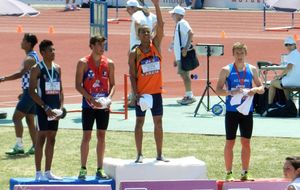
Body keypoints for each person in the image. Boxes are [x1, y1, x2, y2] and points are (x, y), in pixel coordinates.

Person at [216, 42, 264, 181]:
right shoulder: (226, 70)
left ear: (245, 54)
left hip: (246, 111)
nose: (239, 56)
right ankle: (229, 173)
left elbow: (262, 88)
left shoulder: (252, 69)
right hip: (232, 111)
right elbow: (218, 89)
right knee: (230, 142)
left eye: (242, 53)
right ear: (233, 54)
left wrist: (254, 90)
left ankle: (245, 172)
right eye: (237, 53)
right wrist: (231, 91)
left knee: (246, 142)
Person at [129, 0, 167, 163]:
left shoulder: (156, 46)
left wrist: (157, 5)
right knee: (139, 123)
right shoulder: (134, 53)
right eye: (143, 33)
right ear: (138, 35)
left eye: (148, 32)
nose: (146, 35)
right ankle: (139, 154)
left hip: (156, 92)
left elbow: (161, 25)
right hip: (142, 94)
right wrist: (135, 93)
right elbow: (132, 74)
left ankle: (159, 154)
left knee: (158, 123)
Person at [75, 35, 115, 180]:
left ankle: (100, 168)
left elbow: (114, 84)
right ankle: (83, 168)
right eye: (99, 44)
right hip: (88, 105)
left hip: (103, 106)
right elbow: (77, 85)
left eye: (103, 44)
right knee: (87, 136)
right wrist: (91, 99)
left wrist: (109, 98)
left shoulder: (109, 63)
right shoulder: (83, 63)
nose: (102, 47)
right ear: (91, 46)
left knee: (101, 136)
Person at [29, 39, 64, 181]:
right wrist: (45, 107)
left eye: (54, 50)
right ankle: (38, 173)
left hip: (54, 110)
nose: (53, 52)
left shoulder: (57, 68)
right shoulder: (36, 68)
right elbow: (32, 91)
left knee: (52, 139)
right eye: (50, 50)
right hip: (42, 109)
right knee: (41, 138)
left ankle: (48, 171)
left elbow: (60, 91)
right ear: (42, 52)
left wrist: (60, 109)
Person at [0, 33, 39, 155]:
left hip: (30, 93)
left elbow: (20, 73)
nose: (21, 42)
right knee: (29, 120)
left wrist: (4, 78)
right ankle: (35, 146)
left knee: (16, 118)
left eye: (23, 40)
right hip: (31, 92)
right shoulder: (33, 57)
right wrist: (25, 92)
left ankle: (19, 146)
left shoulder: (29, 59)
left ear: (28, 43)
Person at [126, 0, 157, 107]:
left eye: (128, 8)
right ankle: (142, 96)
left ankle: (135, 99)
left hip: (138, 47)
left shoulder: (136, 15)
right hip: (147, 47)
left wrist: (140, 39)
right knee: (145, 72)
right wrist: (150, 37)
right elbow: (157, 25)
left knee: (134, 74)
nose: (127, 11)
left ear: (133, 8)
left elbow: (138, 24)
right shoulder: (149, 14)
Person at [169, 6, 196, 105]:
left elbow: (191, 33)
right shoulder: (179, 24)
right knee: (184, 74)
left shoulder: (182, 23)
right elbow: (177, 42)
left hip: (183, 54)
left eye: (173, 14)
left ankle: (189, 95)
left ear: (179, 15)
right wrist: (176, 58)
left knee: (185, 75)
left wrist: (185, 48)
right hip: (180, 55)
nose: (172, 16)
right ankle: (189, 95)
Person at [268, 37, 300, 107]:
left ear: (294, 45)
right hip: (298, 81)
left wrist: (280, 76)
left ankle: (269, 105)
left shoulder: (292, 54)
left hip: (293, 82)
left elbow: (289, 67)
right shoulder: (298, 54)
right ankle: (289, 104)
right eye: (286, 45)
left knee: (273, 83)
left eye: (290, 44)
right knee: (283, 83)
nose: (288, 46)